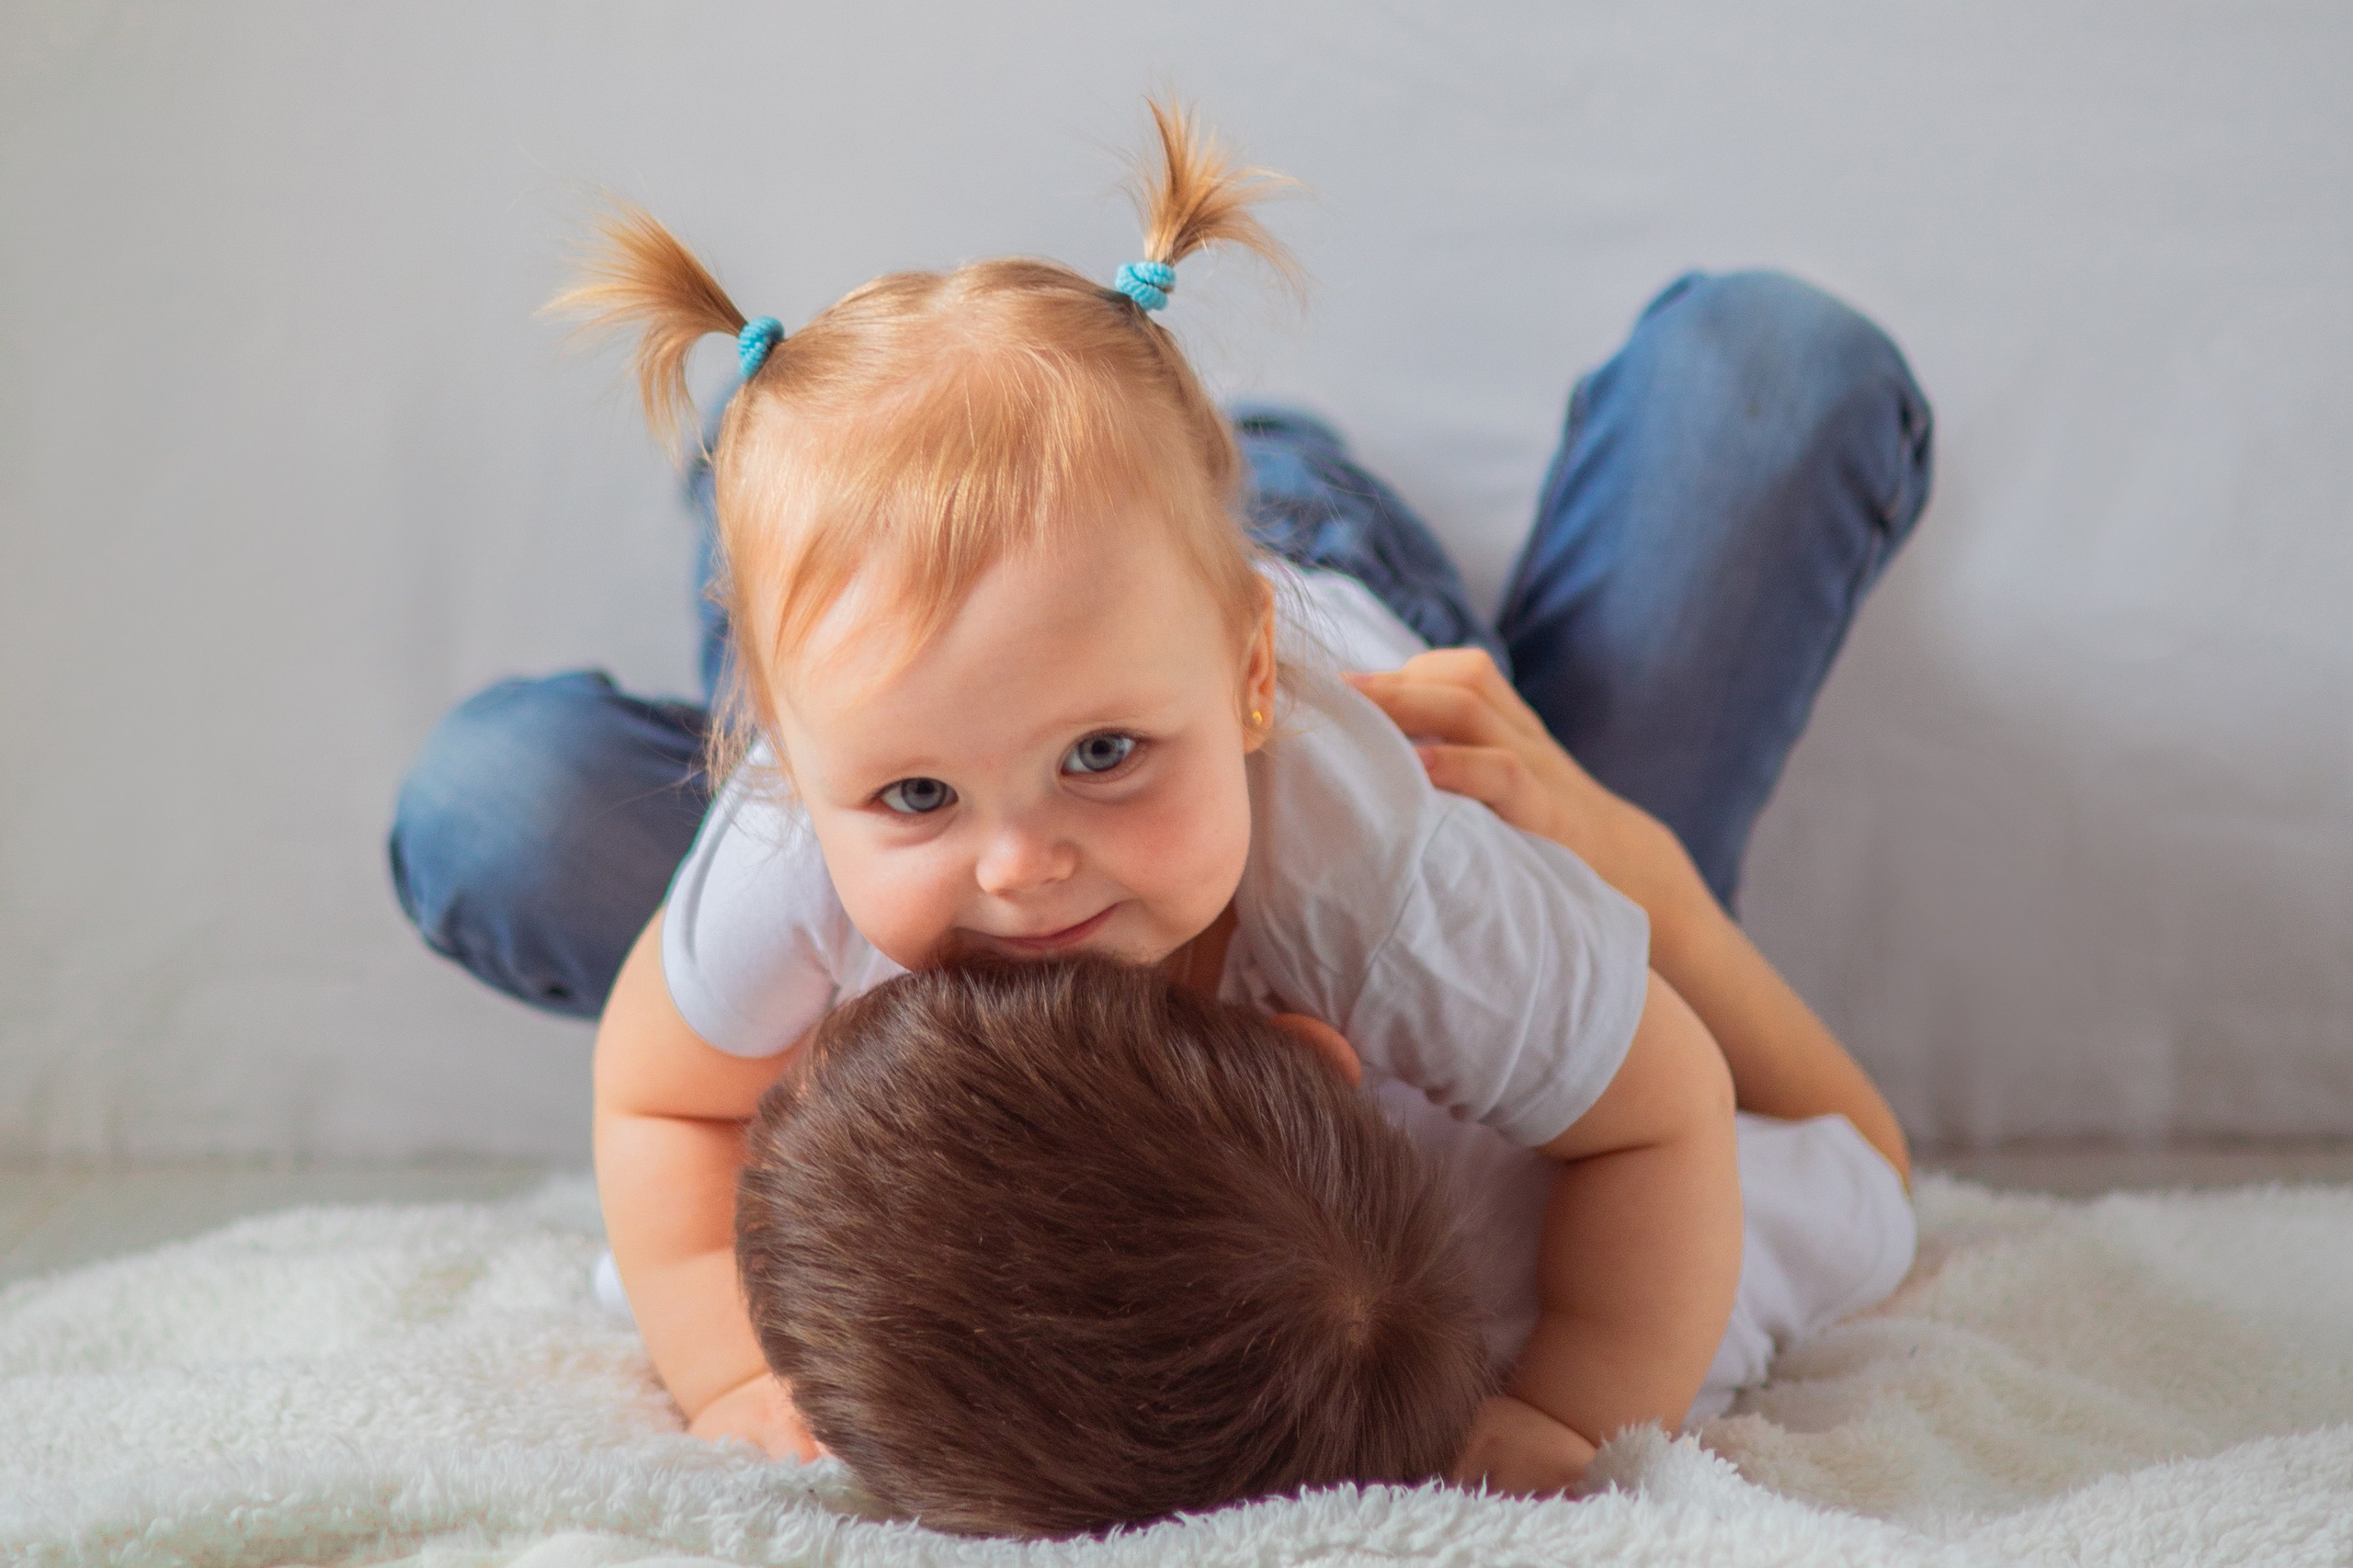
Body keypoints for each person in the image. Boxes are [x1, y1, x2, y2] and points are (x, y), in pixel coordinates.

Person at [387, 97, 1933, 1492]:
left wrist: (1570, 1412)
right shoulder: (800, 841)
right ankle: (797, 490)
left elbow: (1659, 1111)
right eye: (918, 794)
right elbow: (661, 1096)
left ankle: (1167, 470)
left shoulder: (1385, 879)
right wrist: (735, 1372)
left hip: (1351, 613)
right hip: (995, 647)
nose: (1019, 868)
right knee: (736, 635)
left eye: (1103, 757)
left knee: (1759, 373)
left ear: (1250, 678)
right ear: (788, 771)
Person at [734, 954, 1915, 1538]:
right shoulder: (1644, 1264)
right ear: (1310, 1041)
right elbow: (1873, 1162)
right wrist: (1651, 875)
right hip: (1420, 689)